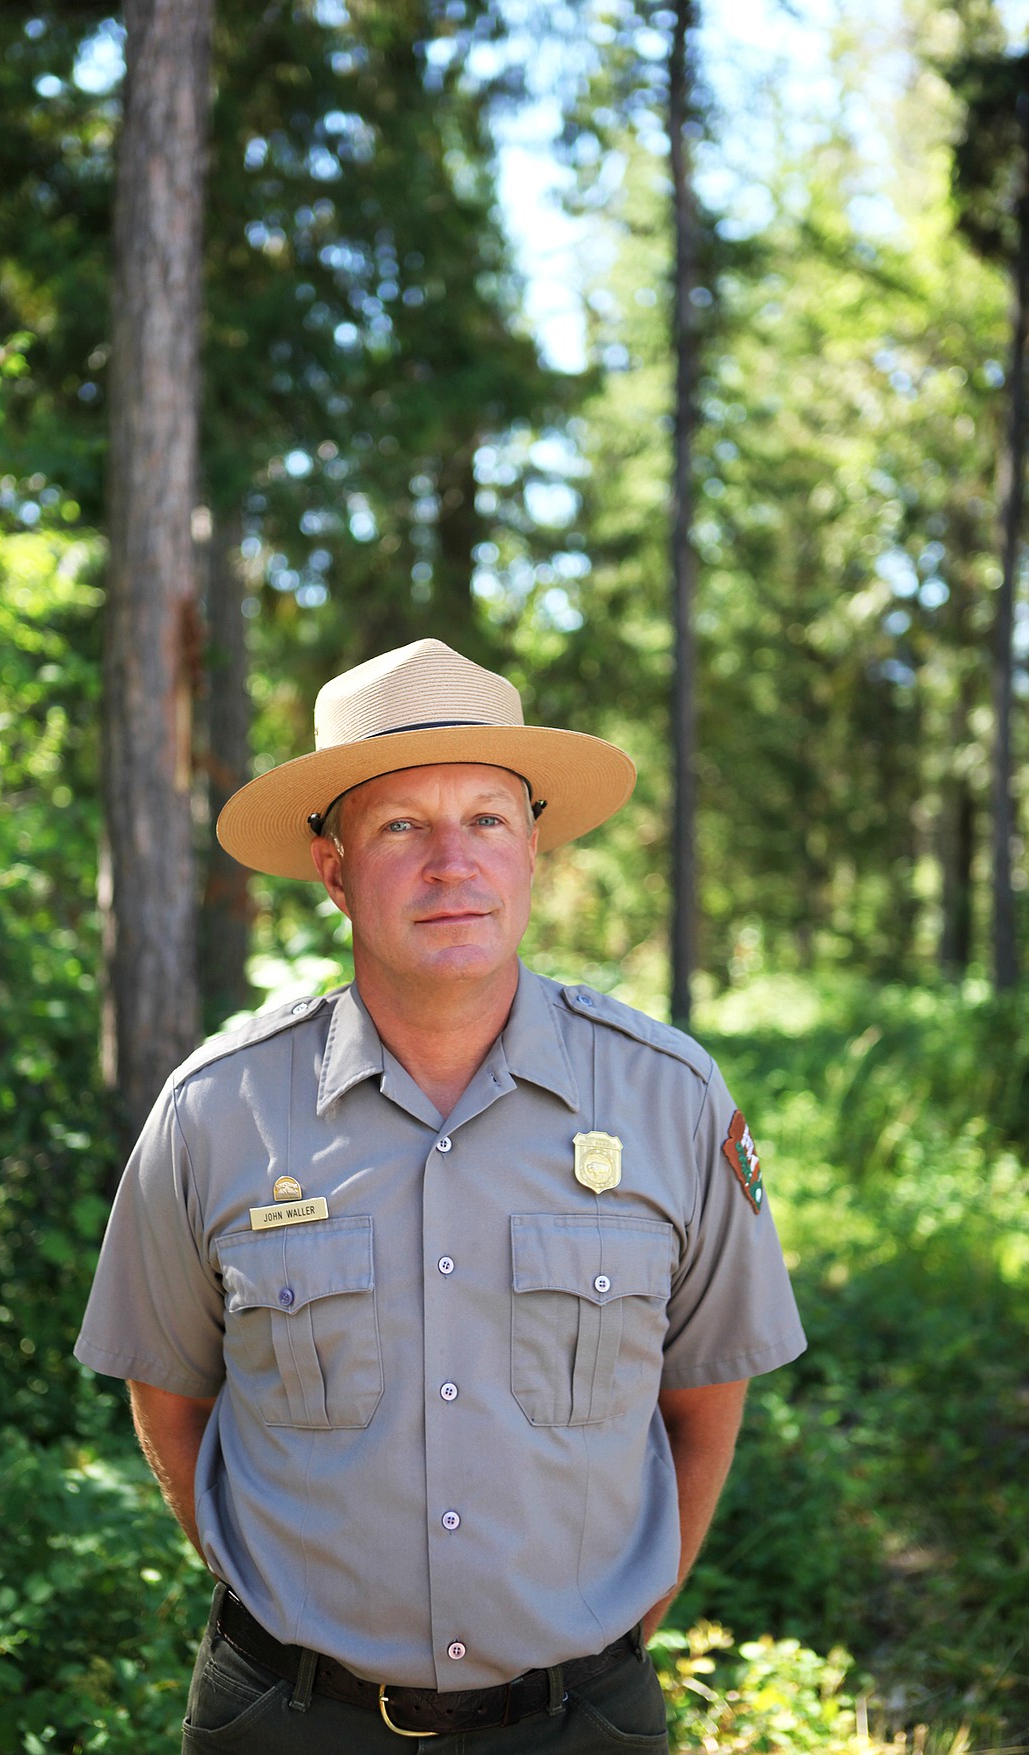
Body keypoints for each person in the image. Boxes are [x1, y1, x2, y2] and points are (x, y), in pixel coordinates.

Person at [76, 637, 806, 1754]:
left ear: (534, 854)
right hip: (290, 1720)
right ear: (333, 870)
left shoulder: (670, 1098)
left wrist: (617, 1633)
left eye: (487, 821)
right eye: (402, 827)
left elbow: (704, 1396)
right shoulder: (218, 1113)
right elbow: (169, 1390)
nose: (452, 866)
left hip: (579, 1725)